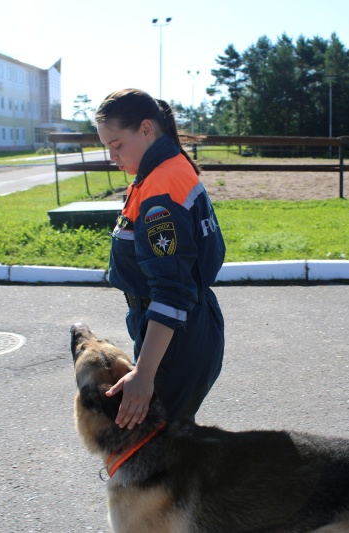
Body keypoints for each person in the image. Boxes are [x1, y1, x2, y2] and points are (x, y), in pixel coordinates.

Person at [96, 88, 226, 429]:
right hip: (187, 329)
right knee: (172, 455)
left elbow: (171, 290)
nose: (112, 157)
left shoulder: (160, 189)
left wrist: (145, 372)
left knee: (156, 459)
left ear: (145, 129)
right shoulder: (165, 168)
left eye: (117, 145)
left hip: (174, 340)